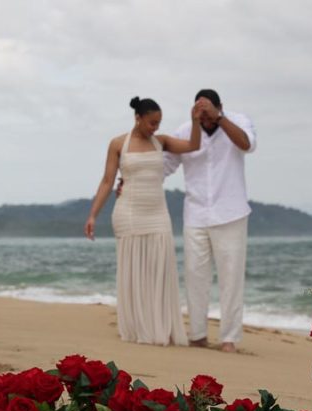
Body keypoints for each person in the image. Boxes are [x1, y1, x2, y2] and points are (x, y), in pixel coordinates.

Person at [84, 96, 204, 346]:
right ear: (137, 118)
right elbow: (107, 181)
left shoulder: (162, 141)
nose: (155, 128)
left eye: (158, 123)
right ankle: (138, 327)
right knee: (133, 271)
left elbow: (193, 145)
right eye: (151, 123)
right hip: (128, 212)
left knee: (160, 269)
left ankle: (161, 327)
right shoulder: (118, 143)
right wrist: (93, 214)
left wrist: (195, 121)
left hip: (158, 213)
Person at [163, 89, 257, 353]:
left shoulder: (238, 120)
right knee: (195, 277)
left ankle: (229, 339)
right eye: (200, 114)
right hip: (195, 213)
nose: (204, 120)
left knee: (231, 278)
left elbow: (247, 144)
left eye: (208, 114)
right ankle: (198, 335)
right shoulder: (184, 130)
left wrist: (220, 118)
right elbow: (165, 165)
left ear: (220, 107)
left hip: (231, 212)